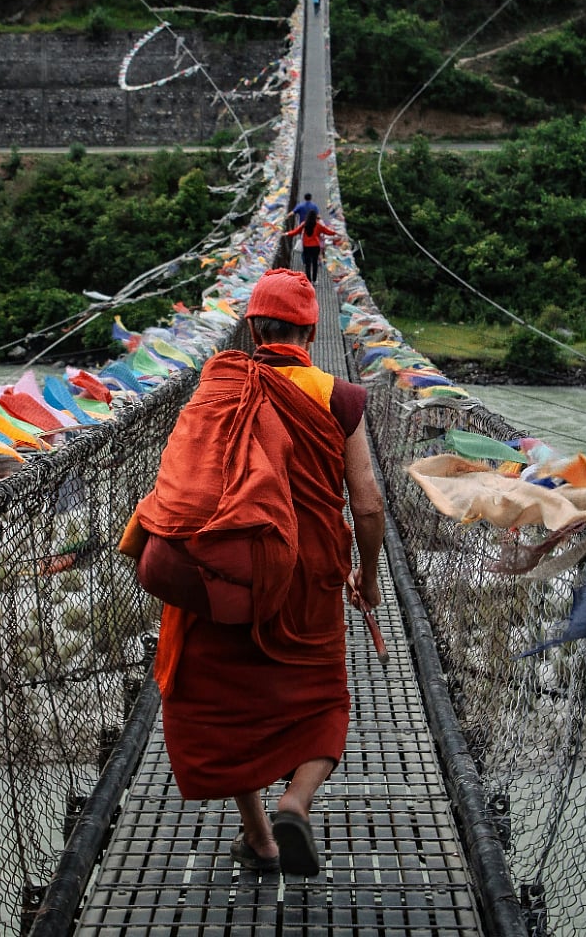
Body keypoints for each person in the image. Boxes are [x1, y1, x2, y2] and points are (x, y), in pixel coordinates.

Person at [131, 268, 384, 878]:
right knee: (323, 700)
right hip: (309, 574)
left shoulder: (219, 385)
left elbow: (187, 477)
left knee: (228, 702)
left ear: (250, 326)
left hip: (227, 571)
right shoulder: (338, 396)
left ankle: (261, 840)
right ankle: (295, 801)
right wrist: (369, 577)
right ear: (310, 333)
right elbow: (369, 504)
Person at [287, 209, 340, 284]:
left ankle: (309, 279)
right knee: (315, 263)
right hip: (315, 246)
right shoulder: (318, 225)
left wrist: (287, 234)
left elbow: (296, 231)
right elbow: (327, 231)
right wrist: (336, 232)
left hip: (306, 246)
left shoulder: (304, 224)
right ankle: (315, 280)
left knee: (308, 264)